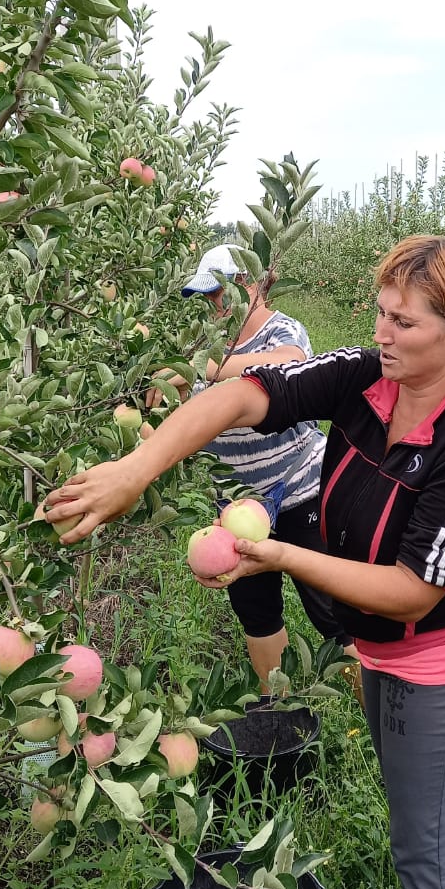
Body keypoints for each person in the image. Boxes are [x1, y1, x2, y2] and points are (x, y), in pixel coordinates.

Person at [46, 235, 445, 889]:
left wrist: (279, 554)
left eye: (403, 320)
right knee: (439, 810)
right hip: (382, 654)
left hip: (439, 664)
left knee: (422, 845)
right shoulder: (370, 378)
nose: (382, 330)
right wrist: (138, 467)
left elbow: (415, 591)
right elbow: (240, 397)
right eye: (380, 310)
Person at [147, 243, 361, 688]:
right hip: (236, 506)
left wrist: (204, 368)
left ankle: (377, 719)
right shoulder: (201, 342)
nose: (212, 305)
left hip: (301, 493)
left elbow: (289, 367)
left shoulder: (283, 332)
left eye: (219, 294)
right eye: (204, 297)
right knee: (257, 614)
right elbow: (184, 417)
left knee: (335, 614)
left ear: (251, 285)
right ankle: (279, 711)